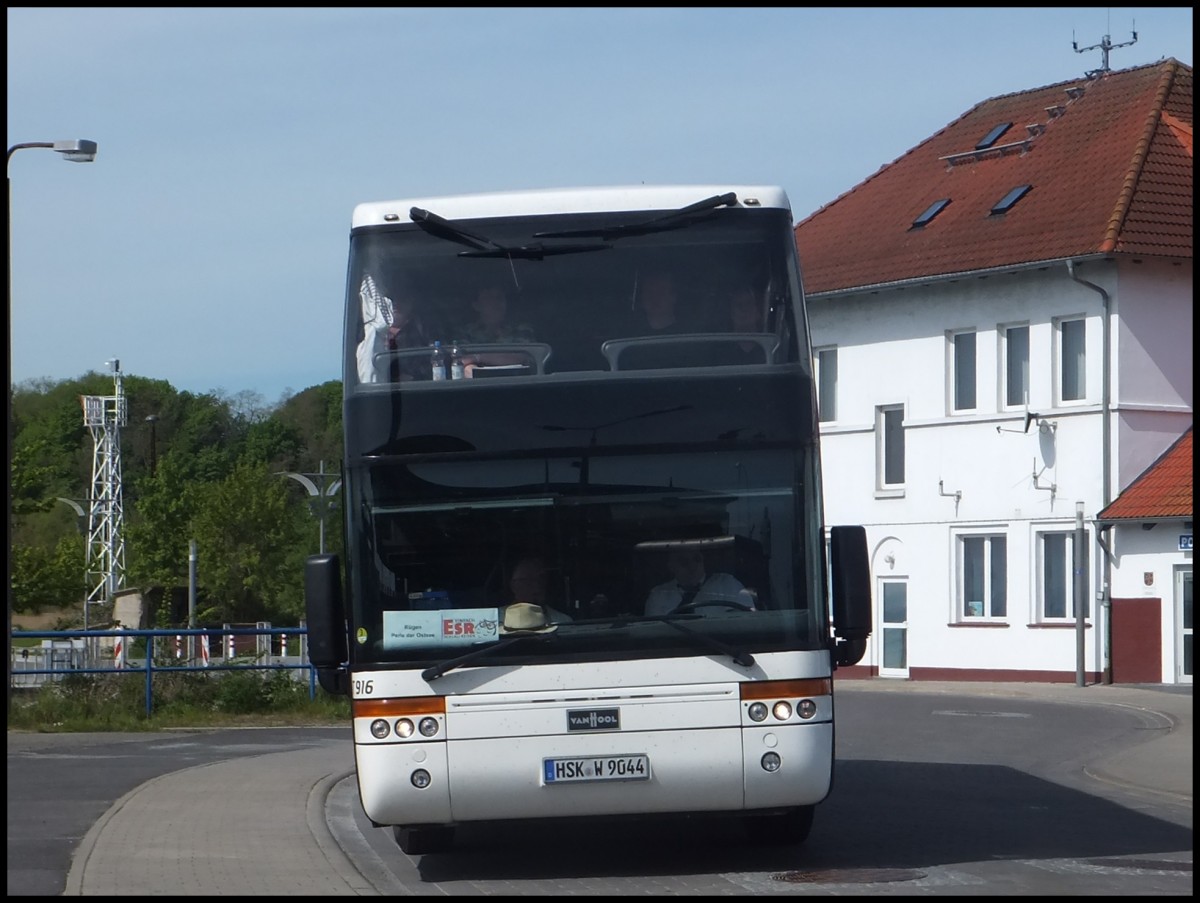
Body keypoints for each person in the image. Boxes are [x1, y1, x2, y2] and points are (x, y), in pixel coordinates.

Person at [354, 273, 435, 383]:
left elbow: (437, 362)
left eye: (402, 298)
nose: (396, 303)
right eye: (391, 298)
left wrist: (413, 377)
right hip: (378, 395)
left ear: (412, 302)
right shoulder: (367, 333)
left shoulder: (424, 330)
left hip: (419, 389)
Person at [644, 547, 755, 616]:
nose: (692, 566)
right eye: (684, 562)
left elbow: (749, 621)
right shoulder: (658, 596)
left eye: (697, 559)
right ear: (671, 566)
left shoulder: (727, 584)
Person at [506, 555, 573, 623]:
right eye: (529, 580)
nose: (537, 585)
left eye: (540, 579)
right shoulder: (497, 621)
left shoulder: (563, 622)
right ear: (513, 586)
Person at [714, 285, 769, 365]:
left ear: (758, 311)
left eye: (748, 303)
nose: (744, 309)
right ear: (731, 314)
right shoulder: (721, 352)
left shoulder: (769, 349)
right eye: (739, 305)